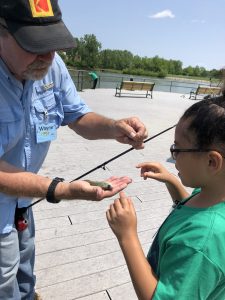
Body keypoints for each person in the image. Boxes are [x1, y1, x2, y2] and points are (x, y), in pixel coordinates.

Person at [0, 1, 148, 299]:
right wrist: (61, 189)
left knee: (25, 270)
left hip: (26, 200)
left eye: (54, 44)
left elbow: (77, 116)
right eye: (36, 45)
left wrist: (112, 126)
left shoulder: (52, 66)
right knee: (4, 279)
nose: (48, 56)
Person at [107, 95, 225, 300]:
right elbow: (195, 211)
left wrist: (127, 235)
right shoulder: (212, 192)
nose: (173, 156)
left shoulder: (202, 241)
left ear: (212, 162)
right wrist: (171, 181)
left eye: (177, 149)